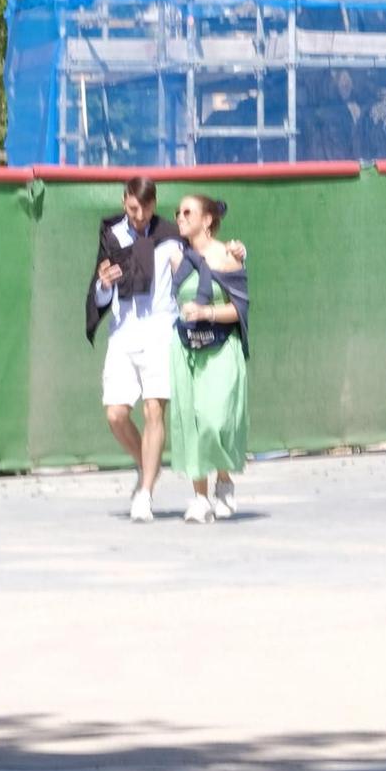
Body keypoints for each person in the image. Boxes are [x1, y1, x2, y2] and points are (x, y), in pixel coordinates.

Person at [86, 176, 180, 523]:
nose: (138, 216)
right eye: (132, 208)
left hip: (160, 331)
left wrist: (234, 253)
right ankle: (147, 466)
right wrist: (103, 284)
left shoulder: (170, 236)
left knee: (155, 410)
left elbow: (194, 271)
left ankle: (145, 493)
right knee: (116, 414)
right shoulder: (112, 234)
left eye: (144, 209)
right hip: (123, 333)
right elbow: (99, 293)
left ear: (154, 205)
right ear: (125, 200)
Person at [166, 194, 251, 525]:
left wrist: (206, 312)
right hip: (186, 348)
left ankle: (224, 478)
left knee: (215, 421)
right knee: (193, 422)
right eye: (178, 212)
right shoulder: (178, 259)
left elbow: (239, 309)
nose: (180, 217)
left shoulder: (228, 257)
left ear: (207, 220)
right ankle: (200, 496)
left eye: (188, 212)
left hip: (220, 348)